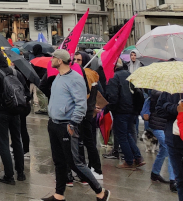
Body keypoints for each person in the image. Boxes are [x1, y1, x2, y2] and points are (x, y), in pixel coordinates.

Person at [41, 49, 110, 201]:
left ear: (60, 60)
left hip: (67, 124)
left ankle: (101, 192)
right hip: (54, 123)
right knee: (58, 161)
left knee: (75, 162)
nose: (51, 59)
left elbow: (81, 105)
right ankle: (59, 195)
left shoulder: (75, 79)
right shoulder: (58, 76)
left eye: (53, 57)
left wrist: (73, 123)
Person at [0, 48, 27, 184]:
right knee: (16, 140)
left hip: (0, 112)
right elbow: (24, 92)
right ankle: (21, 172)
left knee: (3, 142)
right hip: (15, 111)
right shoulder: (15, 72)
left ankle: (9, 175)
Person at [105, 58, 145, 169]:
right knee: (127, 134)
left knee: (122, 136)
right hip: (132, 110)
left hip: (121, 110)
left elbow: (113, 97)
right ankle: (138, 157)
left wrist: (107, 109)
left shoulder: (114, 77)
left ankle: (129, 160)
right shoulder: (129, 74)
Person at [73, 51, 104, 180]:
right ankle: (92, 167)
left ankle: (91, 169)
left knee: (84, 142)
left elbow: (85, 95)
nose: (75, 62)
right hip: (89, 112)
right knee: (88, 141)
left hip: (84, 113)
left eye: (78, 60)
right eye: (74, 59)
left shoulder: (86, 74)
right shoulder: (92, 74)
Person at [148, 90, 177, 190]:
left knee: (164, 149)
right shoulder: (161, 94)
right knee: (168, 149)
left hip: (164, 126)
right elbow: (158, 110)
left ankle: (155, 173)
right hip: (159, 126)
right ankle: (173, 180)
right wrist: (175, 108)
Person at [157, 91, 183, 199]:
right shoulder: (169, 90)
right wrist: (176, 108)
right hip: (173, 139)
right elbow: (159, 109)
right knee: (180, 179)